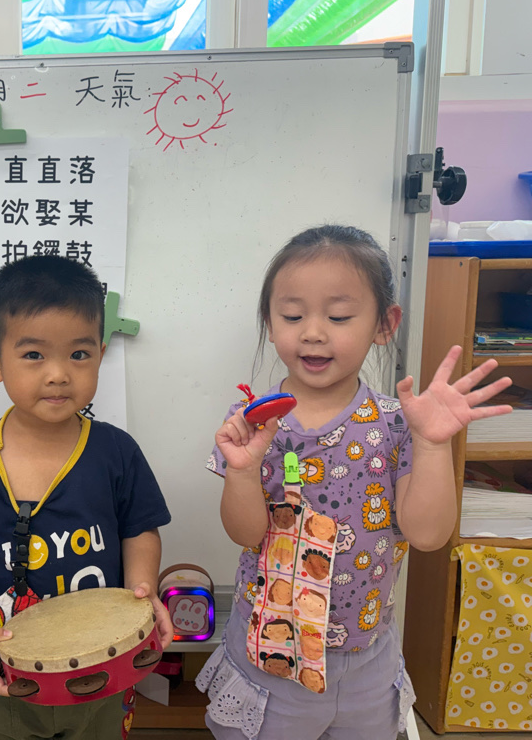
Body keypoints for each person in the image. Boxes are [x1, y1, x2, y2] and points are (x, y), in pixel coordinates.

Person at [196, 224, 512, 739]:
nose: (313, 332)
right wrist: (243, 468)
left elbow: (428, 534)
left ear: (385, 324)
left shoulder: (396, 424)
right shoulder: (253, 422)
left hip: (367, 660)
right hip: (270, 652)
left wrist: (433, 444)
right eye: (292, 316)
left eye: (339, 316)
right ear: (270, 324)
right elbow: (245, 533)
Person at [0, 255, 174, 739]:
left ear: (100, 354)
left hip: (102, 664)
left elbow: (139, 529)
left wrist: (142, 593)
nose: (59, 374)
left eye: (79, 354)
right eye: (34, 355)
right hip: (7, 669)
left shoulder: (117, 453)